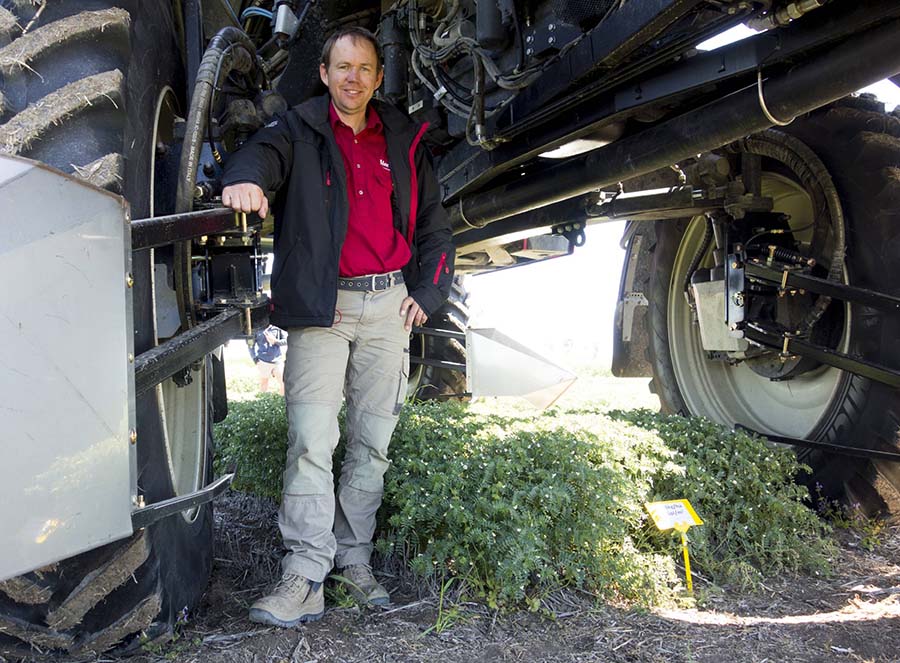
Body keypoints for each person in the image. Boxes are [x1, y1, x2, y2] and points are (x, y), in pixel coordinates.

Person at [220, 26, 454, 627]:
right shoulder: (299, 128)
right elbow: (260, 155)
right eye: (341, 67)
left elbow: (433, 224)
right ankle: (304, 574)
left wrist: (428, 292)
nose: (353, 77)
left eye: (365, 69)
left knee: (372, 444)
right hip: (322, 311)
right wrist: (244, 178)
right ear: (324, 74)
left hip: (390, 306)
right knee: (310, 443)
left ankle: (353, 561)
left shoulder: (402, 137)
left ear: (378, 78)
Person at [248, 325, 287, 394]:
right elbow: (250, 345)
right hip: (263, 361)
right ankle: (263, 401)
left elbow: (286, 340)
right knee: (264, 383)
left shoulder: (278, 328)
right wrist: (254, 359)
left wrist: (275, 341)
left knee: (283, 382)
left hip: (277, 361)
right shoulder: (256, 329)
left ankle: (282, 401)